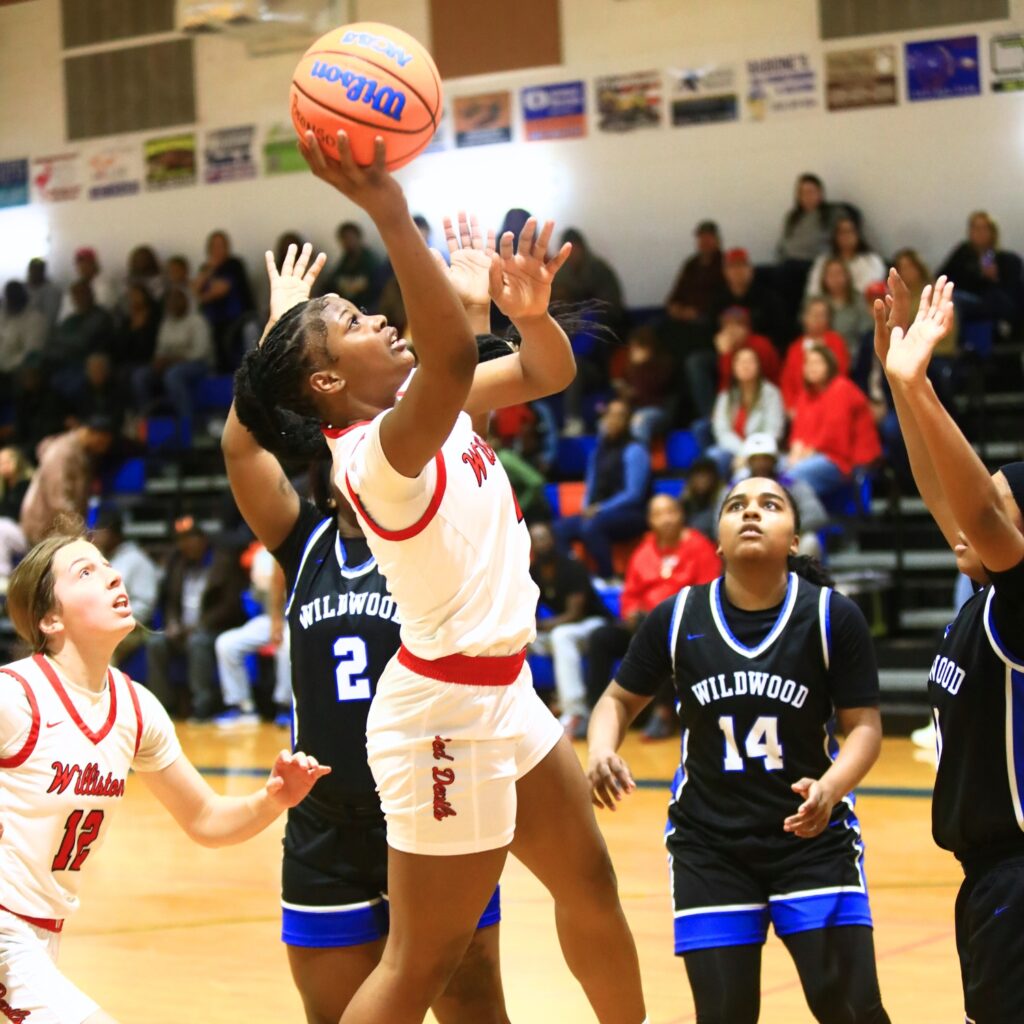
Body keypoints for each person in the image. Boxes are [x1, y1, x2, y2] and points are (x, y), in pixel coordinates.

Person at [233, 131, 648, 1024]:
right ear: (327, 380)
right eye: (351, 322)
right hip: (442, 716)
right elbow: (455, 359)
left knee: (592, 887)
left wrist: (528, 314)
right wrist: (388, 209)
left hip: (507, 688)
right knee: (424, 960)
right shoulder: (376, 454)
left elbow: (544, 370)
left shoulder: (426, 399)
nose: (376, 320)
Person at [223, 238, 517, 1023]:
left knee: (476, 995)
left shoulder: (425, 520)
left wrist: (474, 313)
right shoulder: (302, 540)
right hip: (323, 822)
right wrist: (281, 330)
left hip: (425, 797)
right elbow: (241, 442)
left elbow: (464, 419)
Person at [587, 478, 890, 1024]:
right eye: (736, 506)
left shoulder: (830, 617)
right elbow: (615, 699)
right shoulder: (678, 617)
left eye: (770, 506)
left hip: (813, 840)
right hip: (711, 846)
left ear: (794, 539)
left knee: (851, 1009)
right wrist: (603, 747)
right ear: (719, 541)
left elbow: (864, 727)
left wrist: (831, 787)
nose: (752, 513)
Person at [0, 525, 329, 1022]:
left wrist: (273, 799)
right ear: (49, 619)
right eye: (86, 572)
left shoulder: (135, 708)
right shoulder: (16, 698)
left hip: (42, 930)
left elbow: (206, 819)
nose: (112, 577)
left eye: (107, 565)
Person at [876, 269, 1024, 1022]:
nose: (969, 512)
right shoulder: (989, 595)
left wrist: (924, 390)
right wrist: (903, 385)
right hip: (987, 878)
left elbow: (981, 520)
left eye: (994, 498)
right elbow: (949, 497)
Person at [583, 493, 721, 740]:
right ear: (649, 520)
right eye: (658, 514)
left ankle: (663, 712)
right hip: (642, 626)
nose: (666, 519)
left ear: (681, 515)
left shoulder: (700, 547)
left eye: (671, 511)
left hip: (685, 625)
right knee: (601, 638)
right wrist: (630, 613)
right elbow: (629, 595)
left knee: (668, 634)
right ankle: (597, 713)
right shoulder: (643, 552)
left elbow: (707, 594)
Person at [144, 518, 247, 722]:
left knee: (197, 642)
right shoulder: (178, 563)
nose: (186, 544)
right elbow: (170, 601)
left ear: (203, 540)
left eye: (190, 538)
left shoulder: (223, 563)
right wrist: (172, 622)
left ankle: (202, 706)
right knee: (156, 643)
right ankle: (163, 708)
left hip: (214, 628)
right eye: (181, 539)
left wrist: (199, 626)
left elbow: (230, 606)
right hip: (183, 628)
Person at [530, 521, 613, 738]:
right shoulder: (534, 571)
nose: (541, 543)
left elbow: (574, 614)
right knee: (521, 639)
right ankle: (531, 709)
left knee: (561, 636)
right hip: (564, 630)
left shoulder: (572, 566)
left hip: (593, 624)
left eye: (544, 537)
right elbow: (530, 612)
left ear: (553, 539)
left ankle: (575, 712)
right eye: (535, 539)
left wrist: (538, 626)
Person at [552, 398, 651, 579]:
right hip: (598, 512)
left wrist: (599, 509)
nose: (613, 420)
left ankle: (608, 577)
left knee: (591, 527)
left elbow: (633, 494)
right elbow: (591, 482)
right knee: (558, 529)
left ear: (628, 421)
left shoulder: (635, 449)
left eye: (619, 416)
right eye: (610, 415)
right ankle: (578, 574)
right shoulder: (599, 450)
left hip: (631, 513)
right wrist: (586, 506)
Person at [213, 544, 292, 728]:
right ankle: (243, 707)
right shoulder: (262, 556)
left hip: (301, 618)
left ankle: (285, 706)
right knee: (227, 643)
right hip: (272, 617)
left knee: (287, 645)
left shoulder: (307, 548)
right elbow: (257, 598)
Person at [788, 345, 881, 500]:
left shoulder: (841, 388)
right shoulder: (806, 394)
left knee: (790, 479)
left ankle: (813, 520)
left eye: (817, 363)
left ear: (829, 365)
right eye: (808, 363)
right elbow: (798, 431)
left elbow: (835, 437)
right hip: (816, 454)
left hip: (844, 460)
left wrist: (805, 454)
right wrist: (795, 450)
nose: (812, 367)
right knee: (773, 471)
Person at [19, 417, 116, 546]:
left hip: (60, 530)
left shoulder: (83, 453)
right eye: (102, 442)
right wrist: (80, 537)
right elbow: (58, 500)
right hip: (45, 528)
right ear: (91, 433)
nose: (103, 448)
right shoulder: (62, 451)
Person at [736, 433, 827, 558]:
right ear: (749, 462)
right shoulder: (736, 488)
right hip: (750, 540)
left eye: (765, 459)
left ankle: (802, 577)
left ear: (774, 460)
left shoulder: (792, 484)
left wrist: (785, 530)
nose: (761, 464)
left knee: (809, 541)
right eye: (756, 459)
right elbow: (720, 524)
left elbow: (816, 514)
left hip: (786, 540)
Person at [91, 507, 160, 667]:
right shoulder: (97, 559)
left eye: (99, 531)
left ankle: (105, 691)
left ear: (112, 533)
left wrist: (117, 619)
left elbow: (145, 604)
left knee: (101, 647)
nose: (95, 536)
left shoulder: (137, 560)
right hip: (101, 622)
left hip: (134, 628)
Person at [132, 287, 214, 421]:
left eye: (177, 300)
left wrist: (172, 361)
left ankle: (186, 421)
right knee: (140, 376)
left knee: (173, 375)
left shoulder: (197, 321)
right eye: (170, 301)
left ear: (185, 301)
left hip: (198, 365)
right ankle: (149, 421)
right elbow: (160, 349)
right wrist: (158, 361)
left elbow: (200, 352)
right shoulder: (166, 323)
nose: (173, 303)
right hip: (170, 364)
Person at [707, 345, 785, 479]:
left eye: (750, 361)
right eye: (741, 362)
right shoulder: (725, 396)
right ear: (734, 367)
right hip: (734, 449)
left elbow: (774, 430)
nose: (745, 365)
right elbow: (721, 431)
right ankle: (721, 496)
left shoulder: (771, 393)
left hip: (763, 451)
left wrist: (752, 454)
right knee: (714, 455)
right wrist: (743, 452)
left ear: (758, 366)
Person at [938, 210, 1024, 328]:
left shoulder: (1005, 259)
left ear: (993, 232)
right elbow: (943, 277)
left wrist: (994, 278)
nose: (980, 233)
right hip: (966, 297)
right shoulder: (963, 253)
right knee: (951, 300)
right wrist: (976, 274)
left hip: (993, 301)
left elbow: (1011, 291)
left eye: (984, 228)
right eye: (976, 228)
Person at [774, 173, 841, 317]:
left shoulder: (831, 214)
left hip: (816, 264)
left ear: (820, 193)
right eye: (802, 193)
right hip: (791, 264)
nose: (807, 196)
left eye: (811, 192)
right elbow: (782, 245)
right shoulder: (792, 217)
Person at [193, 229, 255, 370]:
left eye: (221, 245)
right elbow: (195, 290)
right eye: (214, 246)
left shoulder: (234, 264)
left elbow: (220, 290)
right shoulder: (206, 268)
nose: (217, 250)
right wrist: (210, 270)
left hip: (236, 318)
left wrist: (203, 295)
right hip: (212, 318)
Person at [780, 298, 852, 411]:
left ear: (829, 319)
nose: (817, 319)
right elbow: (787, 382)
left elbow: (841, 374)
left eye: (822, 315)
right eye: (813, 314)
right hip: (800, 406)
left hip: (832, 404)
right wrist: (790, 406)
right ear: (804, 318)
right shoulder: (795, 347)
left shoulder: (836, 342)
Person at [711, 247, 788, 352]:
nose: (737, 271)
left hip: (757, 352)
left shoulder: (768, 298)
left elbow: (780, 333)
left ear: (751, 270)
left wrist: (748, 338)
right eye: (732, 267)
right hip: (725, 350)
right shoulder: (718, 298)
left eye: (742, 265)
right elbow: (709, 330)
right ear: (725, 272)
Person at [804, 216, 886, 302]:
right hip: (826, 307)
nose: (846, 236)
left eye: (850, 231)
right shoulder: (823, 261)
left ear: (858, 234)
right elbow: (813, 291)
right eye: (841, 232)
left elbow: (870, 291)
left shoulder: (871, 261)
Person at [313, 220, 381, 311]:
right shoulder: (345, 260)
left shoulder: (369, 260)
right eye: (344, 239)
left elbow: (375, 284)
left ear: (358, 237)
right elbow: (333, 281)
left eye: (350, 238)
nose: (347, 242)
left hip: (368, 305)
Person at [813, 257, 873, 361]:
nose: (835, 278)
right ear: (824, 278)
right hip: (820, 355)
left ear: (847, 276)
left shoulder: (859, 301)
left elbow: (866, 332)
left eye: (838, 274)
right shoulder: (817, 303)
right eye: (830, 274)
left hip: (852, 356)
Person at [0, 281, 47, 390]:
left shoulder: (35, 319)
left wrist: (5, 364)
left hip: (12, 373)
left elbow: (31, 354)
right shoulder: (4, 314)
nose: (10, 302)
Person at [0, 446, 32, 586]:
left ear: (17, 462)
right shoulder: (4, 488)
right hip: (11, 532)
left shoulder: (28, 484)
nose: (3, 466)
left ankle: (2, 576)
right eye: (0, 463)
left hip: (28, 533)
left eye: (6, 462)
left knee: (1, 526)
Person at [58, 247, 115, 322]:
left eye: (85, 263)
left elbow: (102, 313)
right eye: (79, 263)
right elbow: (63, 315)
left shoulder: (104, 286)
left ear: (94, 264)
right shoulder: (75, 287)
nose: (81, 267)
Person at [25, 257, 62, 332]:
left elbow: (49, 318)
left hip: (40, 331)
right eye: (32, 269)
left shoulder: (52, 291)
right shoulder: (23, 287)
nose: (34, 273)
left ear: (43, 272)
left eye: (37, 270)